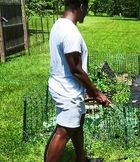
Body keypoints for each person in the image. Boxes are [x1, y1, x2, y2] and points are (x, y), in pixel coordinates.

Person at [44, 0, 111, 162]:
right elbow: (75, 69)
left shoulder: (59, 25)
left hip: (64, 84)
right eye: (86, 9)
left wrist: (87, 90)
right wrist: (96, 92)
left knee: (78, 122)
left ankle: (81, 159)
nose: (86, 13)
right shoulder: (70, 33)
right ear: (81, 7)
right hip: (68, 90)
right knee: (63, 132)